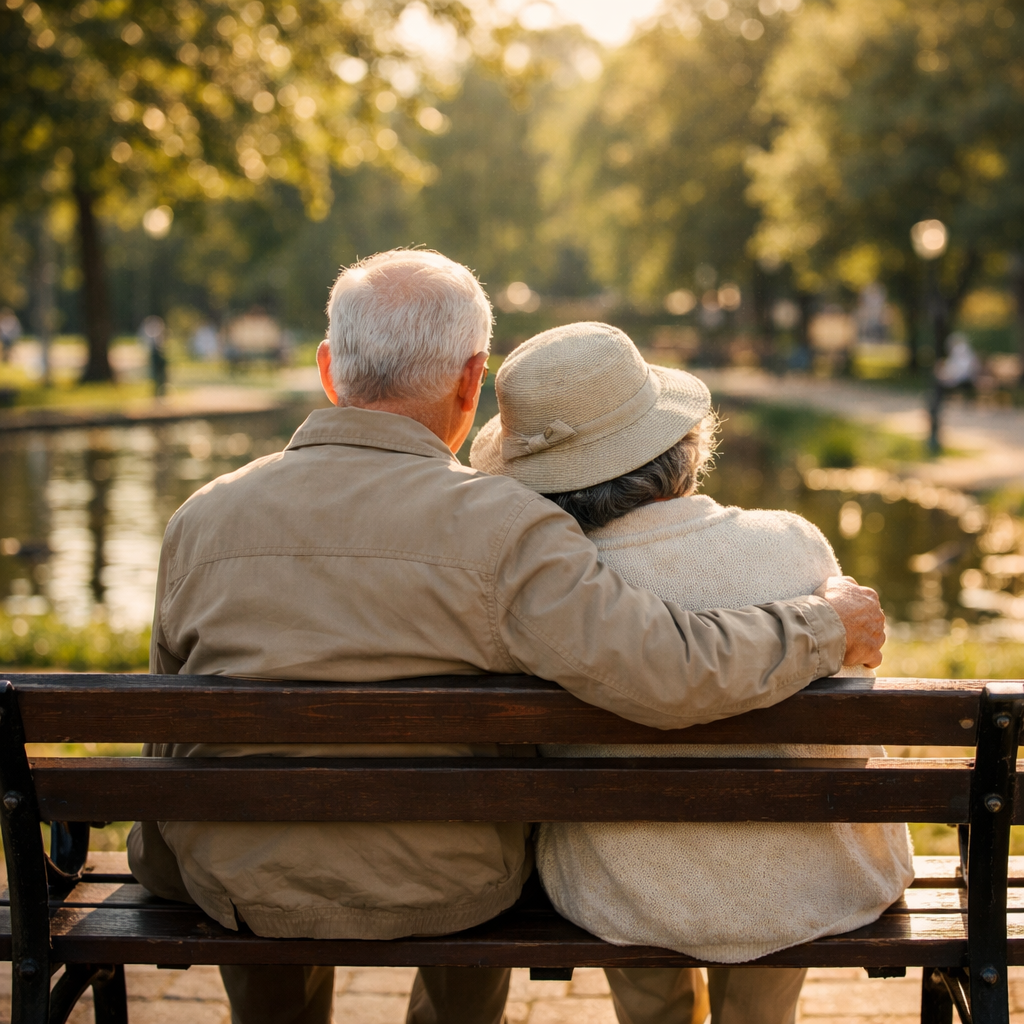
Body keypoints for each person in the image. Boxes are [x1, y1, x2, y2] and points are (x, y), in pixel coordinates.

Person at [128, 250, 886, 1024]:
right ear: (470, 380)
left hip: (236, 883)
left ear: (330, 369)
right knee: (488, 847)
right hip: (448, 890)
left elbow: (169, 733)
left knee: (253, 856)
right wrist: (826, 624)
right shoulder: (504, 526)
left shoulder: (201, 517)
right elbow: (665, 671)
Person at [470, 321, 913, 1024]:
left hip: (624, 890)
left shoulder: (554, 591)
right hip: (811, 884)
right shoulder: (793, 547)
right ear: (680, 445)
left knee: (639, 903)